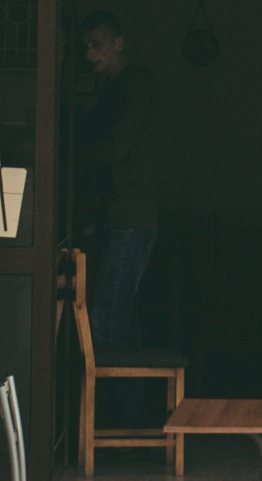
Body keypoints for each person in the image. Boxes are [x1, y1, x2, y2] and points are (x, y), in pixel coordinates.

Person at [77, 9, 161, 350]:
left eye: (96, 45)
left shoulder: (136, 84)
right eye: (85, 47)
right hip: (119, 217)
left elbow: (115, 150)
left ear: (118, 43)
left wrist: (60, 156)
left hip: (130, 218)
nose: (89, 54)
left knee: (108, 322)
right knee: (119, 319)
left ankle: (119, 405)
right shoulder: (112, 90)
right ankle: (129, 405)